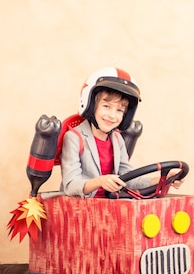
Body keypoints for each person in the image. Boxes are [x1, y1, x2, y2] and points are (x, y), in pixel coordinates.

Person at [60, 67, 183, 198]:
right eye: (106, 106)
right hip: (81, 208)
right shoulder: (74, 137)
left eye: (119, 111)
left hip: (112, 204)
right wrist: (100, 181)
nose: (112, 116)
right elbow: (71, 185)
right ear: (90, 105)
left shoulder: (118, 140)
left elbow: (129, 179)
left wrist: (162, 180)